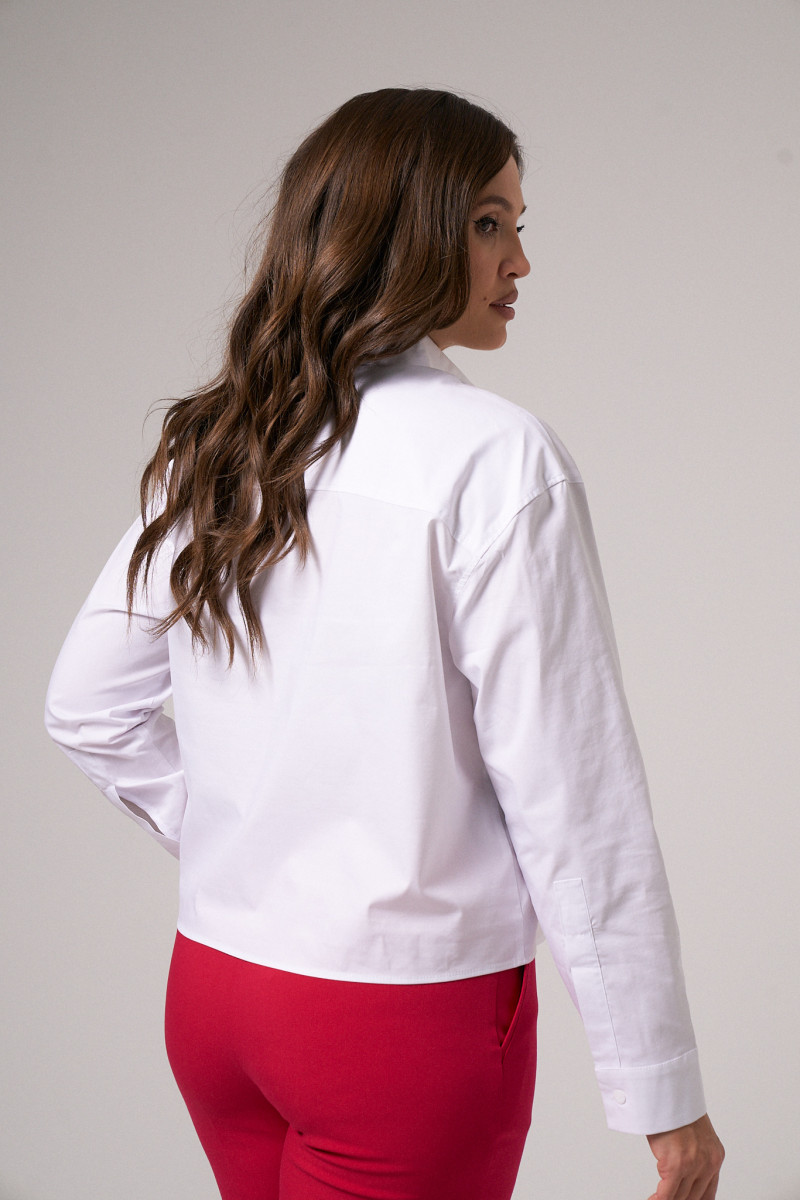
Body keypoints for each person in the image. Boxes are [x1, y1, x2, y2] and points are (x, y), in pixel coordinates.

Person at [44, 88, 724, 1200]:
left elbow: (84, 707)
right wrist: (664, 1092)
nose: (520, 261)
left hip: (218, 995)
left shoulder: (230, 440)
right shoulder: (495, 459)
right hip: (398, 1026)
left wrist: (247, 838)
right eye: (489, 224)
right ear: (400, 232)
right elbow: (574, 801)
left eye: (516, 225)